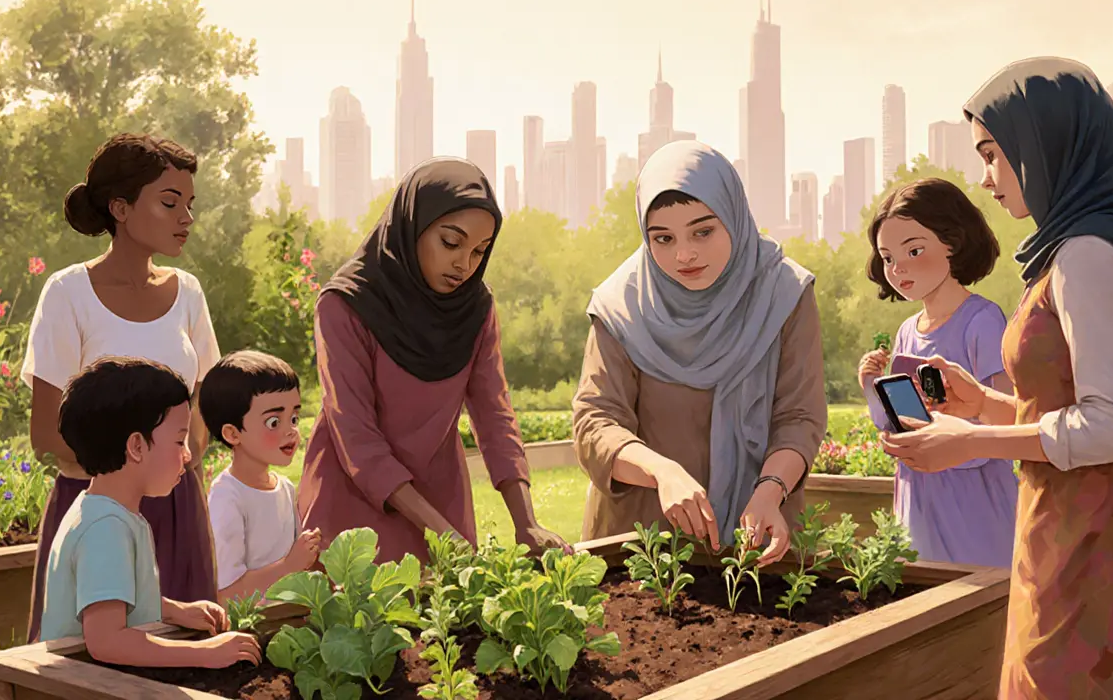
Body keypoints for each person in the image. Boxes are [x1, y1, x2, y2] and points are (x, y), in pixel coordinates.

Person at [881, 57, 1113, 698]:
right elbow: (1079, 403)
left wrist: (972, 441)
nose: (985, 178)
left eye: (993, 154)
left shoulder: (1087, 256)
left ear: (1045, 145)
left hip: (1106, 553)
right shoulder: (1085, 243)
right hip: (1090, 533)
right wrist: (986, 403)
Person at [298, 157, 570, 563]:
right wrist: (443, 531)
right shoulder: (345, 304)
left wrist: (525, 521)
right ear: (413, 225)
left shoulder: (475, 309)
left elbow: (494, 416)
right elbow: (356, 439)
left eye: (480, 251)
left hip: (441, 498)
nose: (465, 264)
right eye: (451, 242)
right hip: (351, 507)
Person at [573, 140, 827, 565]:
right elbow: (595, 423)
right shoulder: (622, 305)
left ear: (734, 217)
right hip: (642, 545)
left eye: (702, 231)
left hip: (760, 535)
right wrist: (662, 471)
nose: (684, 254)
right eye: (663, 238)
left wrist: (769, 490)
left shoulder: (783, 294)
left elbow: (798, 417)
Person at [21, 133, 220, 642]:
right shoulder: (68, 294)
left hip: (177, 506)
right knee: (94, 665)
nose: (186, 218)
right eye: (170, 202)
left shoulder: (188, 294)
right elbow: (46, 431)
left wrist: (181, 459)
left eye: (190, 204)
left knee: (188, 666)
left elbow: (203, 404)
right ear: (120, 208)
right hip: (96, 502)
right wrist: (129, 480)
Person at [42, 356, 259, 669]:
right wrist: (207, 653)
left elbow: (108, 600)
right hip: (79, 684)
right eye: (178, 440)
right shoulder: (106, 529)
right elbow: (107, 640)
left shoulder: (106, 511)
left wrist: (173, 611)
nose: (187, 455)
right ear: (136, 447)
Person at [856, 178, 1018, 568]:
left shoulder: (982, 320)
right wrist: (871, 387)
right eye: (888, 257)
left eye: (914, 250)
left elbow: (1009, 418)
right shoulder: (907, 331)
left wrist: (949, 441)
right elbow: (897, 420)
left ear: (953, 243)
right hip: (919, 493)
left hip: (973, 499)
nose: (899, 268)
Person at [199, 350, 321, 604]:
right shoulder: (227, 496)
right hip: (250, 630)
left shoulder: (286, 488)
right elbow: (226, 594)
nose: (291, 431)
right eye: (274, 422)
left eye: (294, 418)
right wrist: (289, 566)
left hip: (291, 622)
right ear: (233, 434)